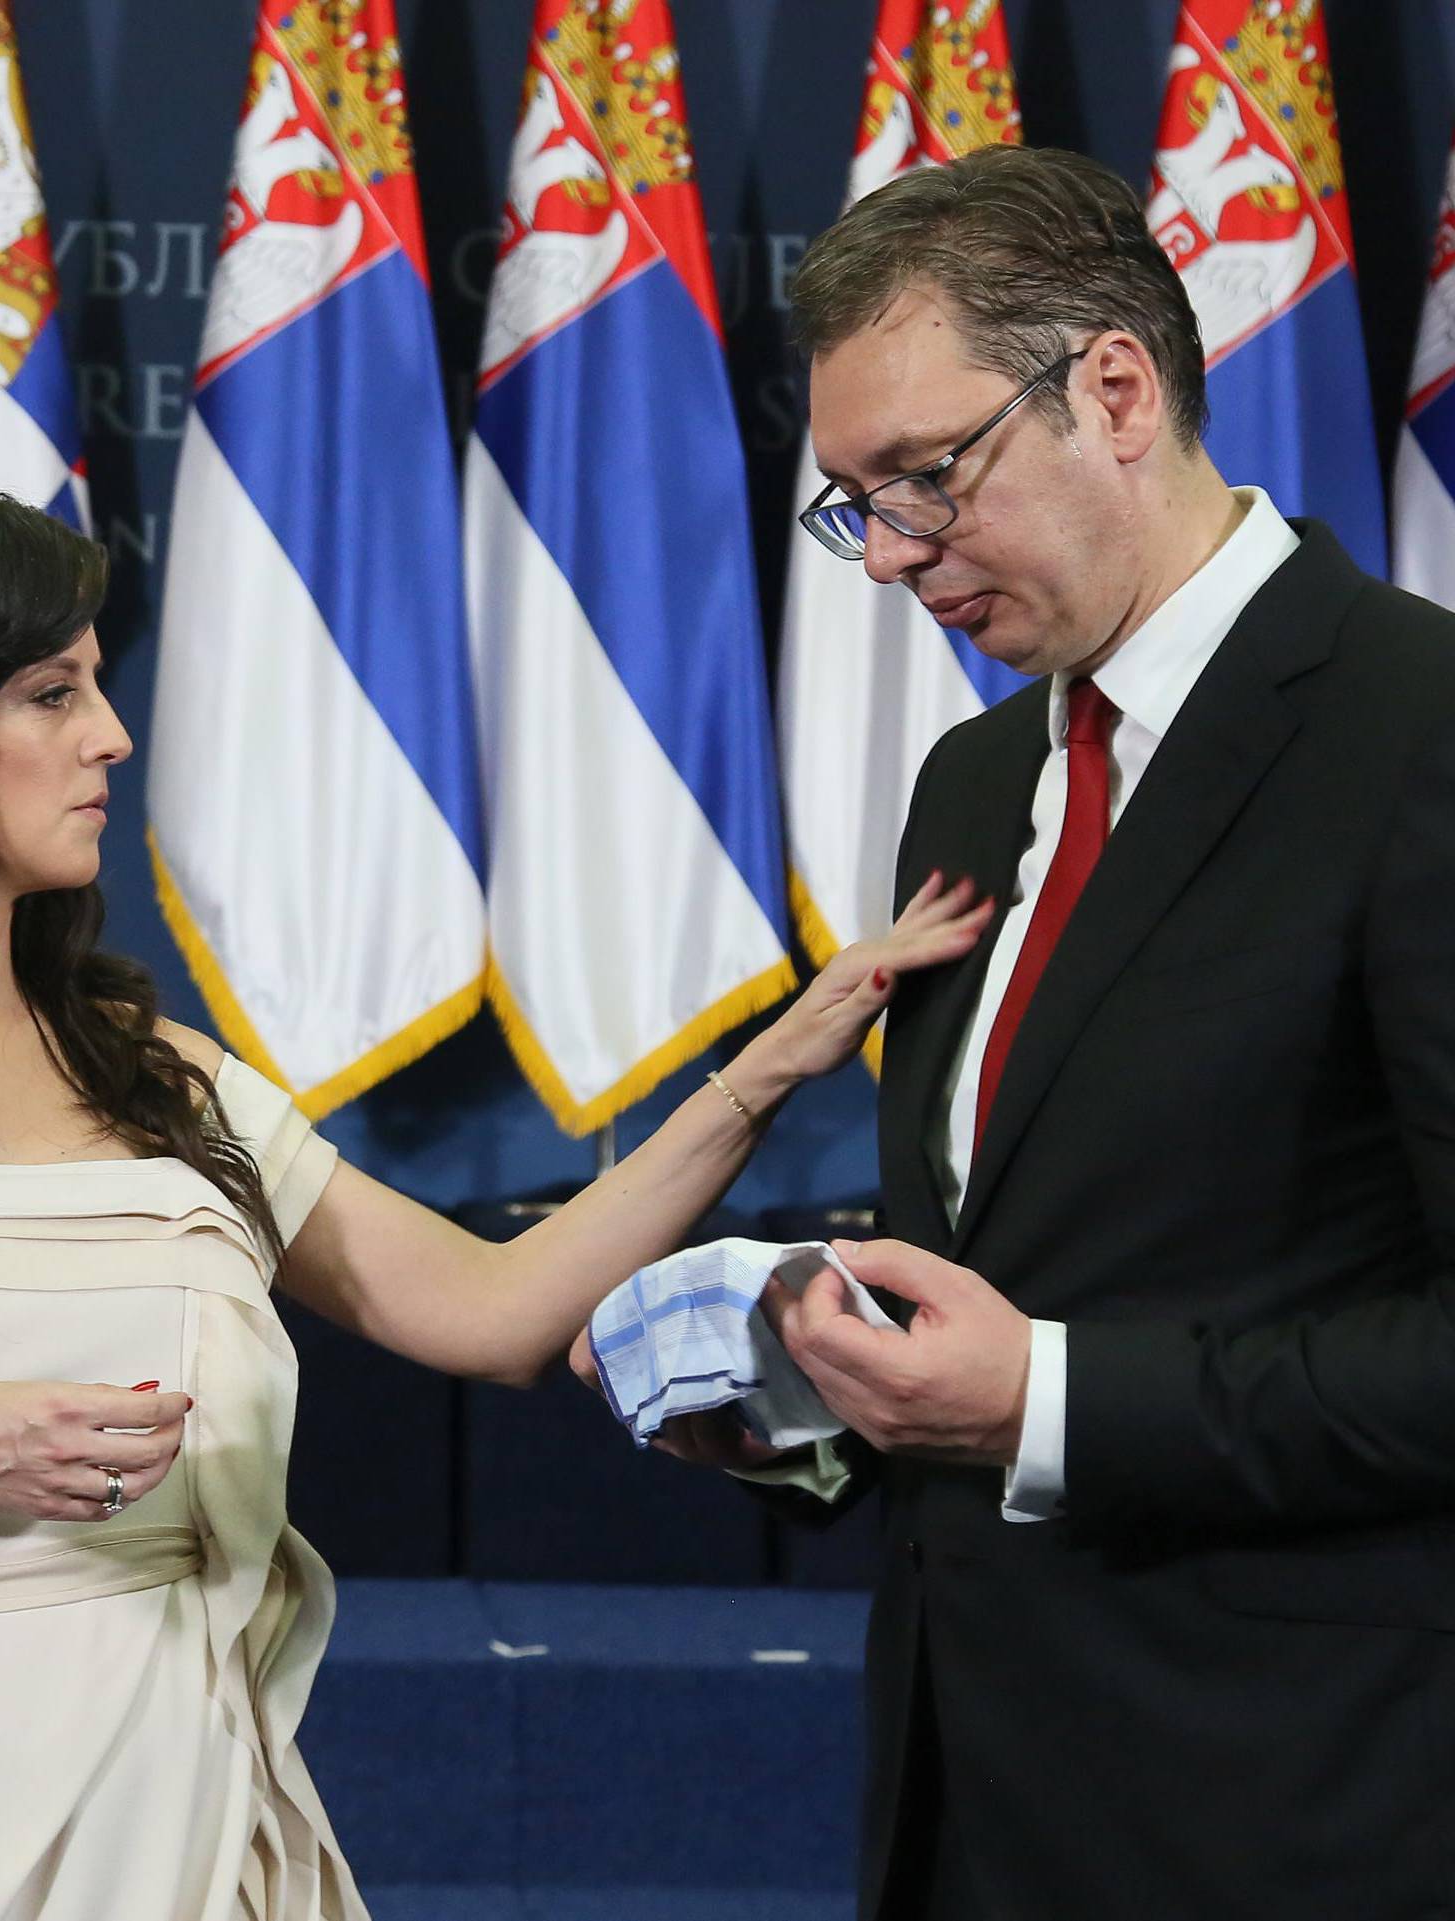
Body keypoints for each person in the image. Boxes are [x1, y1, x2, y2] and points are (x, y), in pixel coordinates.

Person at [0, 480, 987, 1921]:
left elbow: (493, 1310)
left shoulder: (159, 1073)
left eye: (98, 686)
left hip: (184, 1801)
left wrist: (776, 1065)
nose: (111, 734)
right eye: (52, 693)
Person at [580, 145, 1455, 1918]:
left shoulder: (1416, 734)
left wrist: (1046, 1399)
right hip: (966, 1803)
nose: (896, 558)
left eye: (927, 479)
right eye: (857, 506)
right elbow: (1015, 1252)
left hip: (1300, 1815)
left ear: (1116, 390)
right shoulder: (977, 781)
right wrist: (833, 1397)